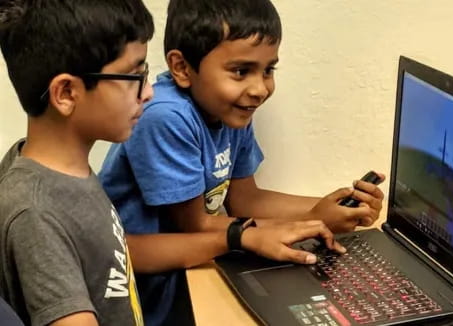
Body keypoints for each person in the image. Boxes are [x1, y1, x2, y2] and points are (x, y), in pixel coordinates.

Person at [99, 0, 385, 325]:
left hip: (191, 271)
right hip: (143, 298)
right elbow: (195, 225)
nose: (259, 89)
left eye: (268, 70)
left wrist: (327, 209)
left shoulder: (230, 108)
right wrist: (314, 219)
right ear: (181, 68)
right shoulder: (167, 116)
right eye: (240, 71)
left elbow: (247, 200)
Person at [0, 0, 154, 325]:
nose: (149, 91)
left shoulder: (66, 171)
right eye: (133, 76)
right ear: (67, 93)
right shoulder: (35, 212)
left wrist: (231, 240)